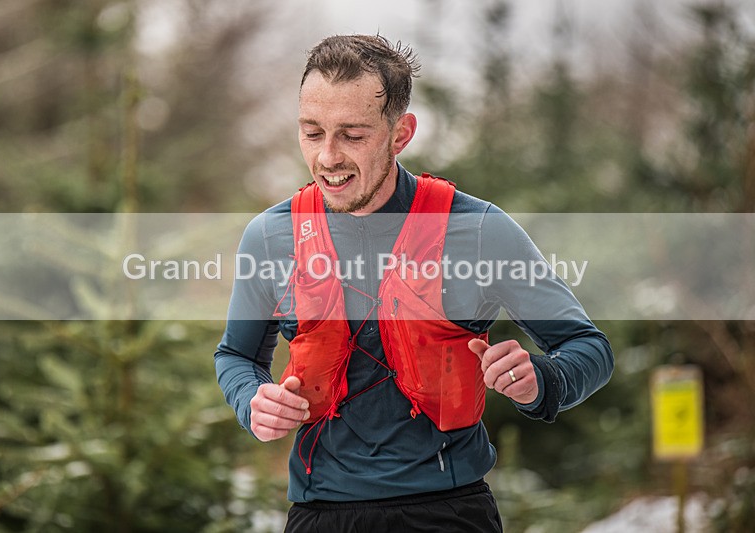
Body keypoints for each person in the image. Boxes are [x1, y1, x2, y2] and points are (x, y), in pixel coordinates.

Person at [214, 34, 613, 532]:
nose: (327, 158)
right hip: (320, 514)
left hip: (450, 512)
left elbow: (589, 348)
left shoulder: (480, 230)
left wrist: (541, 380)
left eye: (353, 135)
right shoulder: (270, 236)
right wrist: (252, 399)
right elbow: (236, 357)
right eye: (312, 133)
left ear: (401, 133)